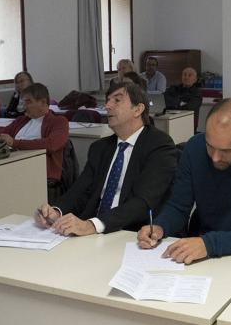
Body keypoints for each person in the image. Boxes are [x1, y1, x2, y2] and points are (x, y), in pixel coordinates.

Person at [137, 98, 231, 264]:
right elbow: (179, 206)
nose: (215, 158)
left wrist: (209, 244)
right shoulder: (195, 147)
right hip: (204, 253)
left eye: (226, 150)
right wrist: (160, 226)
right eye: (210, 145)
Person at [34, 82, 178, 236]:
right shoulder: (100, 148)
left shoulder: (159, 145)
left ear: (138, 109)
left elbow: (143, 202)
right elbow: (79, 191)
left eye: (117, 100)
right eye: (108, 100)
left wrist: (94, 225)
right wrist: (56, 211)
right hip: (93, 233)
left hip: (133, 234)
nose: (108, 106)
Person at [0, 83, 69, 196]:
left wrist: (15, 143)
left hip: (39, 174)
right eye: (23, 102)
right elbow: (3, 133)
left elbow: (52, 144)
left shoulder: (59, 121)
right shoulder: (22, 120)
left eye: (28, 102)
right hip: (13, 168)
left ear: (43, 102)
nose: (24, 106)